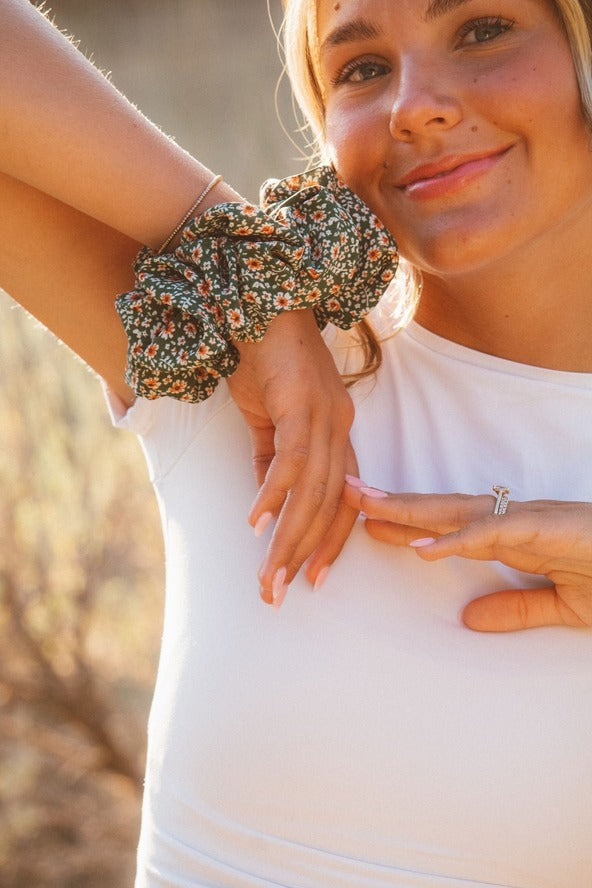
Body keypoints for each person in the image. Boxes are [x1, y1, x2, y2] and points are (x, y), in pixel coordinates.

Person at [2, 1, 592, 887]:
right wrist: (234, 259)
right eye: (361, 68)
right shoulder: (242, 375)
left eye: (481, 29)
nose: (414, 106)